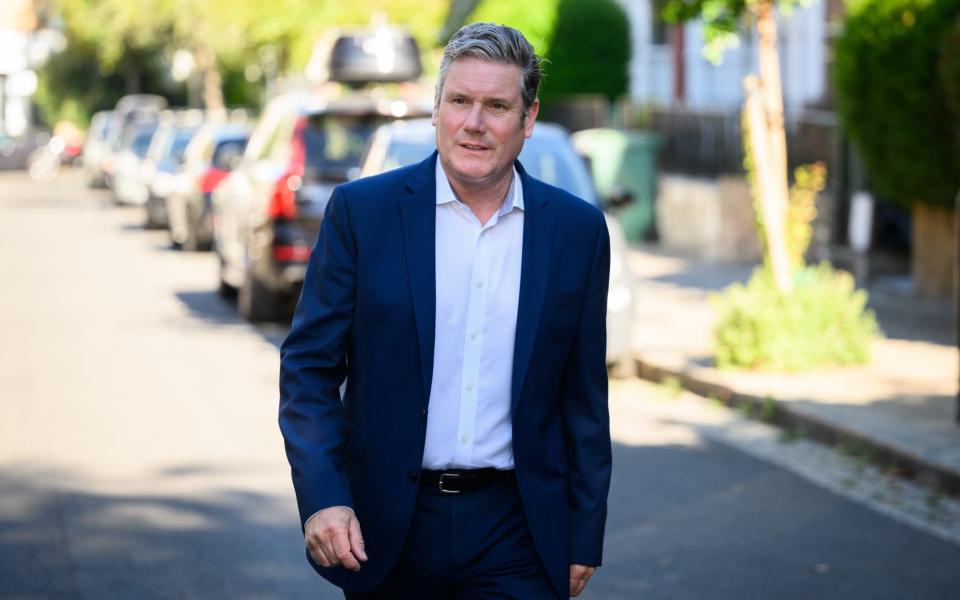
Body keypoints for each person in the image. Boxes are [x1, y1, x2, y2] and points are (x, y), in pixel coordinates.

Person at [279, 22, 611, 599]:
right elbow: (309, 370)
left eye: (497, 105)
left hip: (518, 531)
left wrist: (584, 531)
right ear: (436, 109)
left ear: (528, 120)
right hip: (386, 527)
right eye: (459, 100)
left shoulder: (576, 232)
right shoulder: (363, 214)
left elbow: (583, 398)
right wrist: (323, 498)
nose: (474, 123)